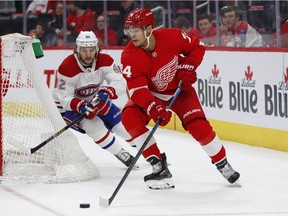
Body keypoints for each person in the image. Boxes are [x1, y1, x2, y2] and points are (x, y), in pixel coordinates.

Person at [120, 8, 240, 190]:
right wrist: (153, 107)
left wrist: (189, 66)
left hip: (180, 91)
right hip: (152, 95)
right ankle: (158, 166)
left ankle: (223, 163)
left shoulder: (172, 36)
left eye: (136, 29)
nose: (132, 34)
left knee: (198, 126)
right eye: (130, 29)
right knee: (129, 116)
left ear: (149, 28)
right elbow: (137, 90)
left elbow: (197, 47)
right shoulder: (130, 54)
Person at [53, 31, 135, 168]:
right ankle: (121, 153)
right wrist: (81, 106)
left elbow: (119, 80)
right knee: (94, 127)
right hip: (69, 107)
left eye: (91, 50)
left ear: (96, 49)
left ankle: (150, 154)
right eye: (84, 50)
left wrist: (109, 90)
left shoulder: (105, 60)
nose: (88, 54)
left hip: (95, 100)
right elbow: (63, 97)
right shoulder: (67, 67)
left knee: (124, 126)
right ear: (78, 49)